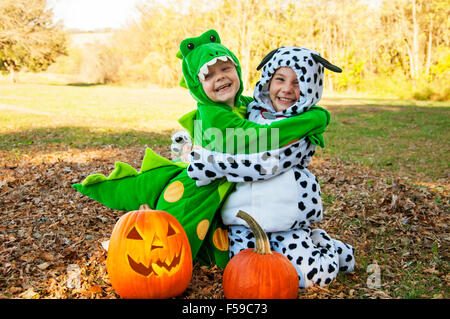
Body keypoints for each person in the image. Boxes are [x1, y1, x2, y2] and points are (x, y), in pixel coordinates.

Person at [73, 30, 330, 270]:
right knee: (172, 240)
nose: (220, 77)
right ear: (198, 87)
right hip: (195, 192)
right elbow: (258, 138)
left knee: (217, 242)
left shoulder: (241, 103)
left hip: (219, 192)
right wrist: (312, 119)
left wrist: (302, 111)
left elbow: (267, 112)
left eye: (226, 68)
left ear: (237, 70)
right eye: (208, 75)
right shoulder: (213, 113)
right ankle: (124, 249)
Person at [186, 46, 355, 288]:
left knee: (312, 278)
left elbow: (266, 166)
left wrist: (211, 165)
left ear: (311, 86)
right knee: (245, 276)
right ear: (267, 80)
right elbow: (221, 130)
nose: (287, 89)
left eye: (298, 83)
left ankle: (330, 247)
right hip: (244, 220)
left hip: (283, 219)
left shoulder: (301, 127)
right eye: (280, 79)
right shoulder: (250, 111)